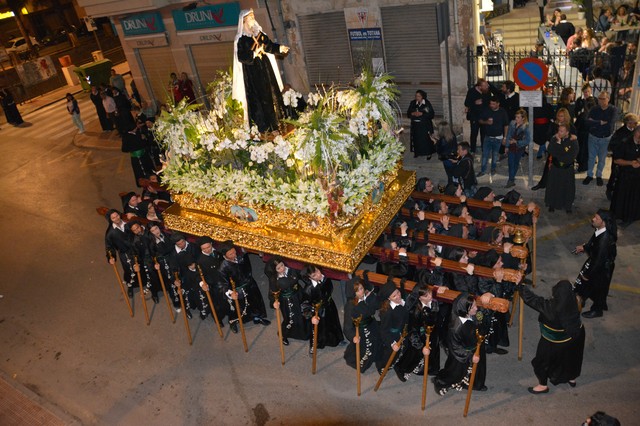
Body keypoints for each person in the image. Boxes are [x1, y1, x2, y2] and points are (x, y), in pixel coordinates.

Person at [520, 280, 585, 394]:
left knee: (542, 362)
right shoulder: (575, 301)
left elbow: (531, 299)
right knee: (571, 359)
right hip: (575, 337)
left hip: (553, 340)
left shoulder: (551, 308)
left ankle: (543, 385)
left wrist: (519, 285)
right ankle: (571, 378)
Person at [232, 9, 289, 133]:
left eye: (253, 16)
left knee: (272, 94)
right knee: (261, 99)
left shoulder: (259, 34)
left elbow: (269, 46)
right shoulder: (241, 39)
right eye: (250, 17)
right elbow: (242, 57)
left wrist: (280, 48)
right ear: (244, 21)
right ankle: (266, 127)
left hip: (266, 70)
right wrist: (254, 53)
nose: (253, 18)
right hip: (253, 73)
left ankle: (278, 122)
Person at [433, 293, 487, 395]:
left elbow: (480, 323)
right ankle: (440, 383)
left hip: (476, 346)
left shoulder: (474, 314)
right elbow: (455, 347)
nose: (476, 308)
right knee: (455, 373)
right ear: (465, 310)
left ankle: (474, 384)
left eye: (476, 305)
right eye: (473, 307)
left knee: (478, 369)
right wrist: (470, 356)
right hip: (463, 353)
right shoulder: (456, 327)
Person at [394, 280, 447, 381]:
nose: (430, 296)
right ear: (420, 297)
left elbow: (439, 296)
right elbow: (412, 331)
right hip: (420, 336)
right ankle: (401, 367)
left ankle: (432, 368)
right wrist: (420, 346)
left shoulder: (433, 301)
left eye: (430, 293)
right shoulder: (415, 311)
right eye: (426, 296)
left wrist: (444, 288)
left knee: (434, 351)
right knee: (414, 354)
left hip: (432, 332)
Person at [217, 240, 270, 332]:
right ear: (225, 255)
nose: (234, 255)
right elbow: (222, 284)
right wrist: (230, 293)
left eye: (234, 252)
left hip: (249, 284)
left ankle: (257, 318)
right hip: (237, 290)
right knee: (238, 310)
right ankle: (233, 322)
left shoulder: (240, 257)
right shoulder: (223, 267)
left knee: (255, 302)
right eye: (231, 254)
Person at [574, 210, 617, 318]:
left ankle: (597, 310)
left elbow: (599, 260)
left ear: (604, 222)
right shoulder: (600, 230)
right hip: (596, 263)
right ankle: (580, 300)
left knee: (598, 288)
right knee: (587, 285)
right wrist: (584, 247)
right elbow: (593, 244)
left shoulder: (604, 240)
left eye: (597, 218)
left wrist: (587, 275)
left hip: (601, 268)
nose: (593, 219)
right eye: (594, 216)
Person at [265, 257, 309, 344]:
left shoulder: (292, 270)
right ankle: (284, 334)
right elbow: (273, 291)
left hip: (298, 295)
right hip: (286, 300)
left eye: (282, 265)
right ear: (275, 270)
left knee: (301, 314)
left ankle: (303, 332)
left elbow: (303, 277)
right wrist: (274, 301)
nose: (282, 268)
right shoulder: (274, 279)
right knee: (289, 317)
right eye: (278, 268)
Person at [301, 264, 343, 354]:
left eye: (317, 271)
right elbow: (304, 305)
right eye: (314, 275)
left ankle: (336, 339)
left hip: (329, 305)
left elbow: (330, 289)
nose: (318, 275)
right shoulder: (308, 289)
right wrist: (310, 316)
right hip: (318, 311)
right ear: (309, 277)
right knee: (318, 329)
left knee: (333, 324)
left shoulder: (325, 278)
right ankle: (314, 345)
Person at [342, 273, 380, 373]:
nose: (361, 292)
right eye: (357, 290)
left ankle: (374, 356)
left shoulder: (367, 297)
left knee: (375, 342)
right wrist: (353, 336)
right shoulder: (350, 306)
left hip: (372, 324)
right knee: (366, 348)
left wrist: (372, 297)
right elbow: (347, 326)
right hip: (362, 330)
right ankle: (362, 363)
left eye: (362, 288)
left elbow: (376, 306)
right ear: (352, 292)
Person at [375, 279, 409, 378]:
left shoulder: (403, 301)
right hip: (392, 335)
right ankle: (382, 366)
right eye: (394, 296)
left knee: (403, 348)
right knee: (390, 353)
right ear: (389, 298)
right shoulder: (387, 312)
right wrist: (392, 342)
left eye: (398, 292)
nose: (398, 296)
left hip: (403, 330)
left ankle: (397, 362)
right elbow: (384, 330)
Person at [584, 91, 616, 187]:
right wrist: (599, 122)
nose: (600, 101)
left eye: (602, 99)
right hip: (593, 137)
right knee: (591, 158)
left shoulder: (613, 110)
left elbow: (610, 125)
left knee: (602, 159)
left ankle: (599, 175)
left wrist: (594, 122)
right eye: (599, 98)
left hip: (605, 138)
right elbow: (587, 122)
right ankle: (589, 175)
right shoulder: (594, 109)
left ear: (608, 99)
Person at [545, 123, 579, 213]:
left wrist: (559, 149)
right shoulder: (554, 139)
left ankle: (568, 206)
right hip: (555, 168)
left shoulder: (573, 141)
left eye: (561, 131)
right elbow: (551, 150)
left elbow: (570, 157)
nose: (559, 133)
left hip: (567, 169)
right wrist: (559, 144)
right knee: (553, 187)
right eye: (558, 130)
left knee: (568, 189)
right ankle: (552, 204)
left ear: (567, 132)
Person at [610, 126, 640, 226]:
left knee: (634, 198)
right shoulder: (624, 143)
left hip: (637, 177)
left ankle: (631, 217)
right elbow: (617, 160)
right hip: (625, 176)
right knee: (623, 198)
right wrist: (631, 163)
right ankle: (620, 216)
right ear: (636, 132)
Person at [606, 113, 637, 199]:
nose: (632, 125)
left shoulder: (636, 132)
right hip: (619, 157)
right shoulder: (620, 132)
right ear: (626, 122)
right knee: (615, 174)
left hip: (630, 158)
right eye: (630, 123)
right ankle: (609, 189)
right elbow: (612, 145)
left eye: (634, 123)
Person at [477, 96, 509, 178]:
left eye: (493, 104)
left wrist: (505, 138)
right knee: (485, 155)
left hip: (498, 138)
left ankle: (493, 169)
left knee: (495, 155)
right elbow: (480, 120)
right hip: (487, 137)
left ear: (498, 104)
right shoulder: (487, 110)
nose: (491, 105)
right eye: (490, 103)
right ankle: (483, 170)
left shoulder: (502, 112)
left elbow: (506, 125)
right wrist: (486, 122)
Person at [504, 109, 531, 188]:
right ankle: (511, 180)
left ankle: (512, 178)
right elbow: (508, 134)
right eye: (516, 117)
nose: (516, 119)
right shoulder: (512, 123)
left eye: (518, 117)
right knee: (510, 163)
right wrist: (506, 146)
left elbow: (527, 140)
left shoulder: (526, 127)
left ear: (523, 118)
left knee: (515, 163)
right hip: (511, 146)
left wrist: (516, 142)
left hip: (519, 148)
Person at [575, 83, 597, 173]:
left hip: (590, 127)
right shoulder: (579, 100)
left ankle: (586, 164)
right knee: (581, 146)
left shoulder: (594, 100)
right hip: (581, 126)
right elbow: (576, 111)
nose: (586, 93)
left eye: (587, 91)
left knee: (588, 147)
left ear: (590, 91)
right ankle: (581, 163)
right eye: (585, 92)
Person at [464, 79, 490, 153]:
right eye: (484, 86)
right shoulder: (471, 91)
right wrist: (474, 103)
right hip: (474, 117)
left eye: (487, 85)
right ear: (479, 86)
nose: (486, 87)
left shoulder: (487, 92)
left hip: (484, 117)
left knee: (484, 134)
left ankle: (484, 148)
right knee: (474, 134)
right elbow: (466, 103)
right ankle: (473, 150)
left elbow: (488, 102)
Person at [407, 89, 435, 159]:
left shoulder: (427, 103)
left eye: (419, 96)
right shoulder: (413, 103)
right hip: (416, 125)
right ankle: (417, 152)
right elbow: (408, 113)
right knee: (417, 140)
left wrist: (422, 114)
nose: (417, 97)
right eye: (416, 96)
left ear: (422, 97)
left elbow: (431, 114)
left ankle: (428, 153)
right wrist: (413, 113)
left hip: (425, 125)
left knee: (426, 140)